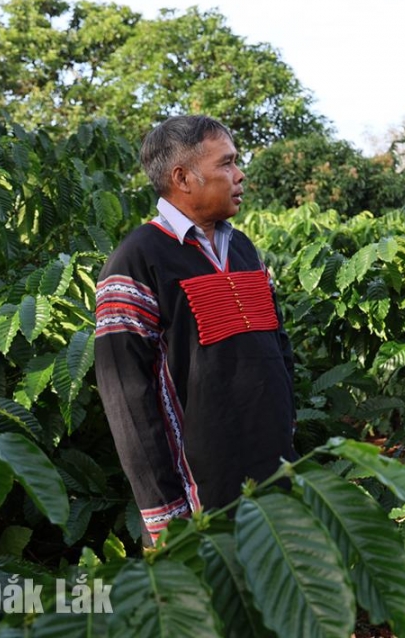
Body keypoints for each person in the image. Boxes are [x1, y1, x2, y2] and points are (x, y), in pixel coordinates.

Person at [94, 115, 297, 545]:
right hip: (198, 500)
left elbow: (278, 351)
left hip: (270, 481)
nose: (239, 175)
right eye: (226, 164)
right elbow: (127, 399)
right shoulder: (137, 260)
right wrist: (163, 514)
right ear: (183, 178)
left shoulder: (242, 248)